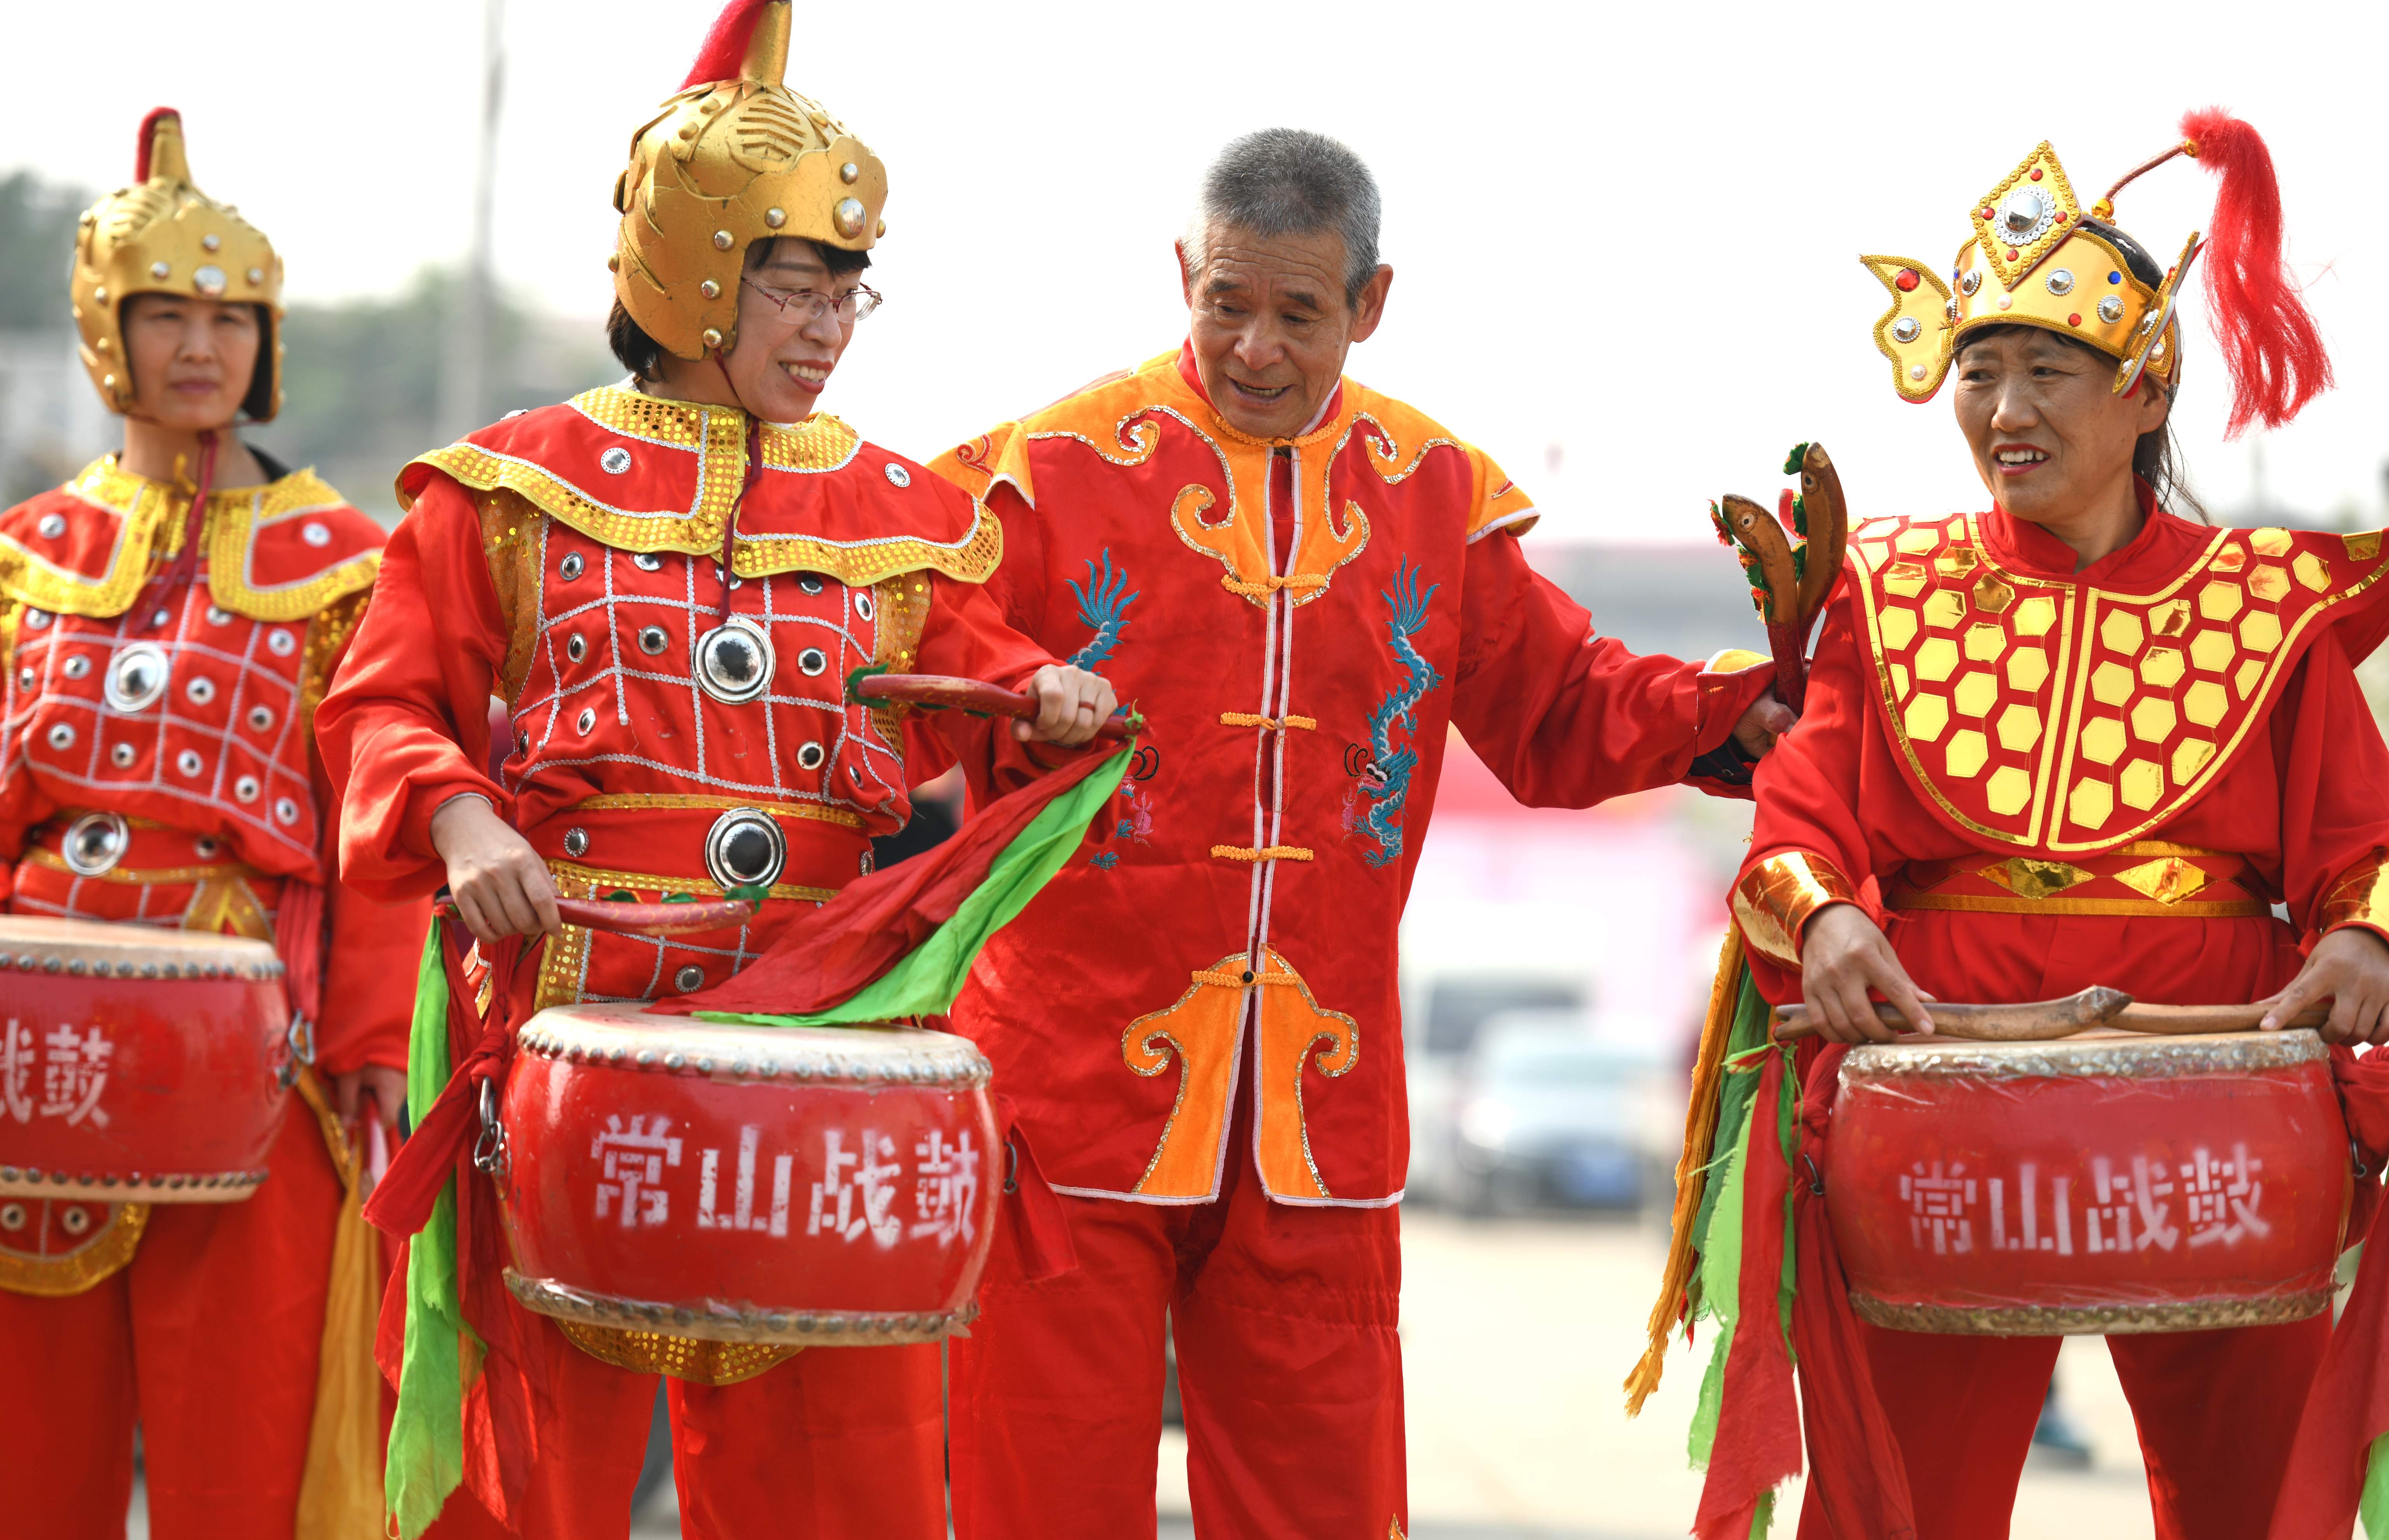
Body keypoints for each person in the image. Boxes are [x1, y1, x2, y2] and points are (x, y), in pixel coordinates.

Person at [313, 3, 1113, 1537]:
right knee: (537, 1483)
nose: (827, 328)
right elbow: (381, 704)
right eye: (794, 287)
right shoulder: (513, 490)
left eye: (847, 294)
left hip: (829, 1055)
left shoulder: (896, 508)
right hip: (575, 1025)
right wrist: (463, 809)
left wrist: (1047, 697)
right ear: (688, 271)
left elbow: (978, 683)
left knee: (847, 1485)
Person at [925, 127, 1792, 1539]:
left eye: (1297, 314)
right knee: (1040, 1495)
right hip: (1057, 1098)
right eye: (1225, 304)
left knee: (1320, 1506)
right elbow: (912, 634)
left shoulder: (1432, 494)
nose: (1253, 348)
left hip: (1319, 1106)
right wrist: (1016, 683)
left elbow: (1560, 701)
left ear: (1369, 303)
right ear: (1183, 277)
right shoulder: (1035, 475)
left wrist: (1729, 718)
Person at [1723, 115, 2389, 1540]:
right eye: (1980, 373)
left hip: (2215, 1086)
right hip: (1940, 1077)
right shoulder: (1887, 589)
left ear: (2144, 393)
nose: (2006, 410)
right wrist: (1828, 913)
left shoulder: (2265, 606)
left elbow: (2359, 846)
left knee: (2254, 1493)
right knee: (1906, 1497)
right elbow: (1798, 825)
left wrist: (2368, 938)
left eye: (2048, 372)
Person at [0, 108, 421, 1538]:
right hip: (37, 1049)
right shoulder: (28, 558)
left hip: (259, 1050)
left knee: (239, 1441)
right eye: (167, 312)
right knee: (26, 1441)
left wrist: (370, 1049)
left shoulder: (349, 567)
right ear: (105, 331)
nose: (203, 346)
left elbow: (376, 826)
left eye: (232, 317)